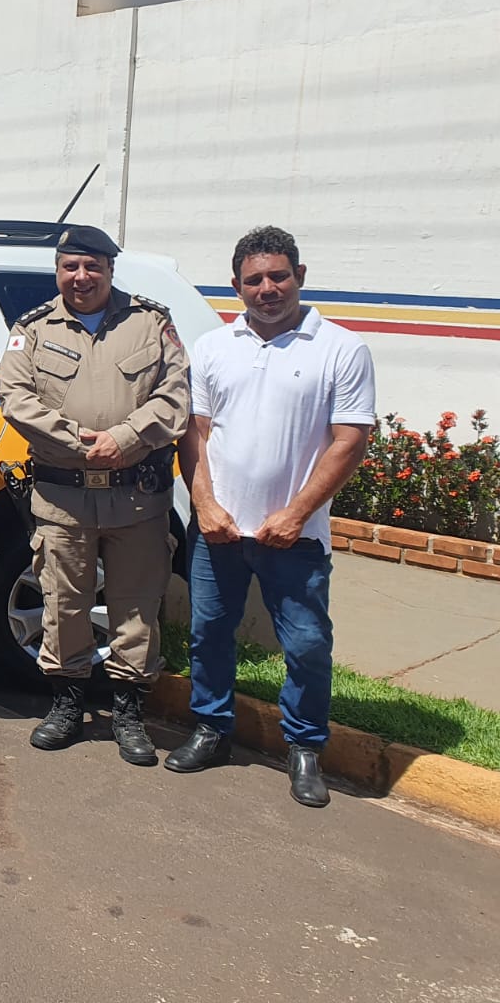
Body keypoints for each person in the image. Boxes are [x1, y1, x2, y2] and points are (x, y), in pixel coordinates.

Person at [167, 227, 374, 808]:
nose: (267, 288)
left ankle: (305, 747)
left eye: (278, 276)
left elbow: (350, 440)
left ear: (300, 277)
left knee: (307, 645)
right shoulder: (212, 348)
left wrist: (297, 512)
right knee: (210, 635)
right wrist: (204, 505)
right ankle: (211, 728)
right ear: (236, 286)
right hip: (218, 532)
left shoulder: (341, 348)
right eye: (254, 279)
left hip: (297, 537)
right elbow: (195, 433)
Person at [0, 224, 190, 765]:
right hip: (63, 499)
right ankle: (66, 704)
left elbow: (175, 397)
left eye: (92, 267)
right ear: (58, 270)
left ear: (109, 269)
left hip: (138, 499)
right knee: (63, 603)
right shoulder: (32, 329)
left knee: (136, 606)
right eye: (70, 267)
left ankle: (129, 713)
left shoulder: (151, 324)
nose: (81, 277)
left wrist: (124, 439)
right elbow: (16, 398)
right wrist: (82, 443)